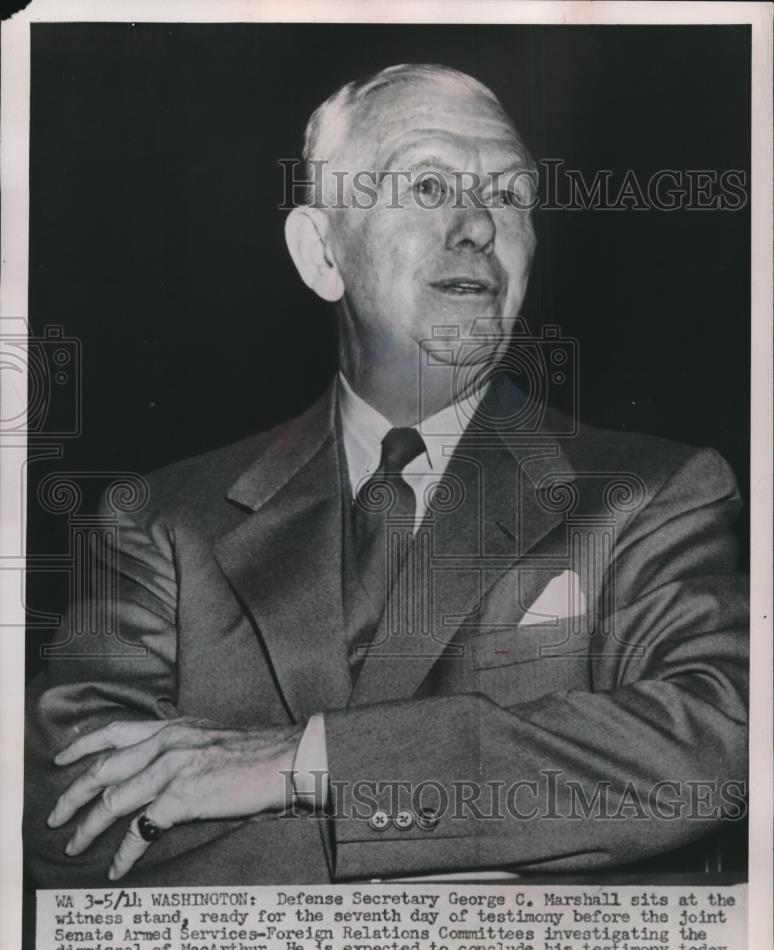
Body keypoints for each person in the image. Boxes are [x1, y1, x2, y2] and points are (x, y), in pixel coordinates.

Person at [24, 64, 748, 888]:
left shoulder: (653, 493)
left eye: (511, 195)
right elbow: (60, 818)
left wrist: (312, 766)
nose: (478, 224)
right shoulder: (162, 520)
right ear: (321, 253)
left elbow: (717, 748)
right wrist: (492, 851)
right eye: (430, 184)